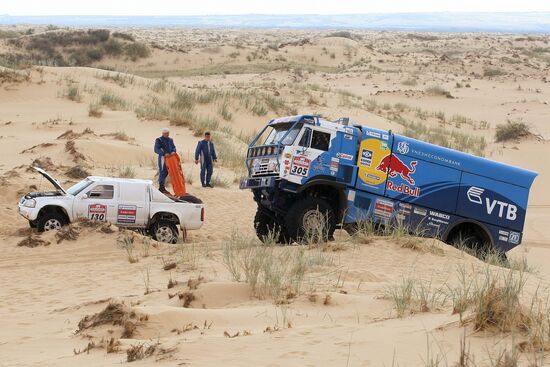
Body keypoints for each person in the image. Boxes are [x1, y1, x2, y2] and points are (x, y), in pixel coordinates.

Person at [154, 127, 177, 194]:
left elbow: (173, 147)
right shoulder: (159, 140)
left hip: (170, 159)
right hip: (163, 158)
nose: (167, 134)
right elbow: (156, 149)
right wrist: (164, 154)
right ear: (163, 133)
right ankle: (161, 188)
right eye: (166, 133)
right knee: (162, 172)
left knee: (167, 172)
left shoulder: (170, 140)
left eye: (168, 133)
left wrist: (173, 151)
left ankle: (162, 188)